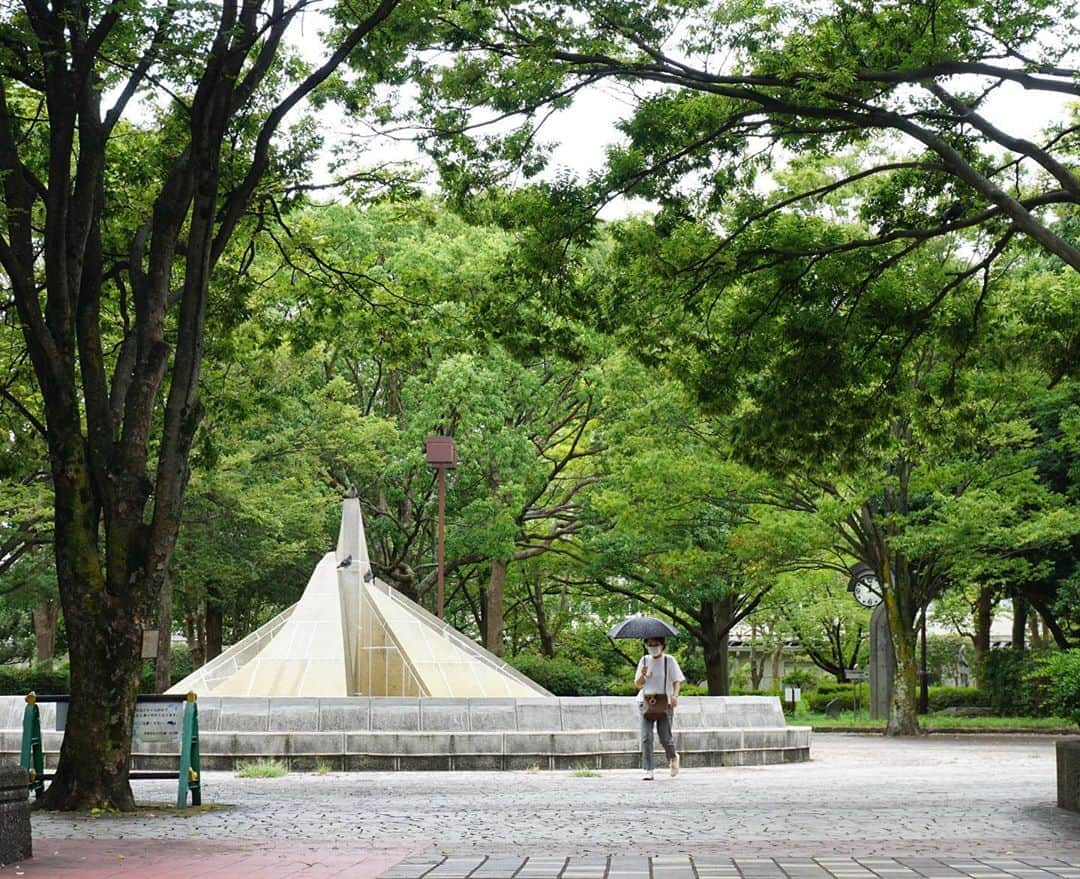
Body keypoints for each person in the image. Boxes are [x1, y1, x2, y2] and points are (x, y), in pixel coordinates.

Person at [634, 636, 685, 780]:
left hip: (665, 702)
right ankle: (648, 769)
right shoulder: (644, 660)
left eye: (656, 644)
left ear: (662, 645)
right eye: (649, 644)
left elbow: (676, 681)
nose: (653, 647)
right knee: (646, 737)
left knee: (665, 737)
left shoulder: (669, 660)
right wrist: (643, 675)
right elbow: (638, 684)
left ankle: (673, 757)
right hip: (646, 702)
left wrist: (675, 696)